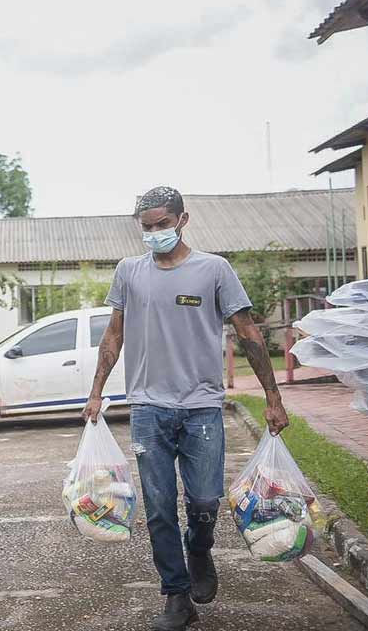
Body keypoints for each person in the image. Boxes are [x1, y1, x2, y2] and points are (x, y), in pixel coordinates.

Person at [83, 186, 289, 631]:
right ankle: (177, 597)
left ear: (183, 220)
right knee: (158, 508)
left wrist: (274, 398)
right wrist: (97, 390)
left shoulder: (214, 270)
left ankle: (199, 548)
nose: (155, 233)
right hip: (147, 408)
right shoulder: (129, 272)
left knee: (203, 501)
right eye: (147, 227)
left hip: (201, 408)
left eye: (162, 224)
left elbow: (248, 332)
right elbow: (114, 335)